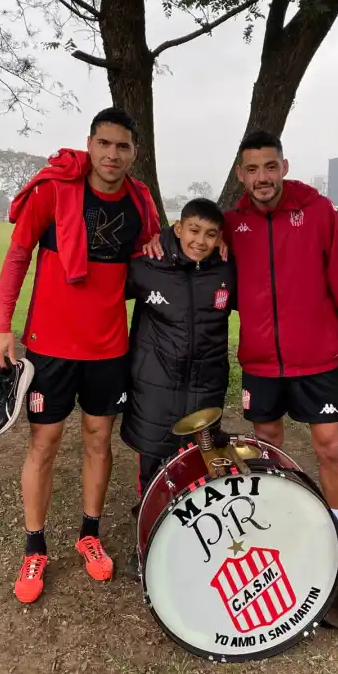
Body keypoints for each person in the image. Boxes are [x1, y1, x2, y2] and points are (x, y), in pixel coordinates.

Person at [0, 107, 159, 604]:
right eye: (103, 144)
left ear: (133, 152)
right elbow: (18, 256)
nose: (112, 154)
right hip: (50, 348)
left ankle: (90, 533)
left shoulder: (140, 202)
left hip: (108, 349)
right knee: (43, 446)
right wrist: (2, 326)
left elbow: (147, 258)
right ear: (89, 143)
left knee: (98, 443)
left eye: (122, 146)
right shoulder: (54, 190)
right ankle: (34, 546)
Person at [223, 130, 338, 615]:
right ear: (241, 174)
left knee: (329, 447)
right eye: (252, 169)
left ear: (284, 166)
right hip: (261, 363)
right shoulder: (233, 224)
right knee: (267, 448)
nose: (261, 178)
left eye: (270, 167)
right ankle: (281, 527)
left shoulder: (317, 212)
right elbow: (199, 258)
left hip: (316, 362)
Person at [122, 198, 237, 495]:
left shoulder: (227, 270)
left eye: (210, 234)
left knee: (197, 470)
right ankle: (147, 536)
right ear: (178, 228)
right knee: (153, 474)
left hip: (206, 388)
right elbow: (100, 296)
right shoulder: (148, 265)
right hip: (154, 389)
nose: (200, 241)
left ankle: (187, 536)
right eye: (193, 230)